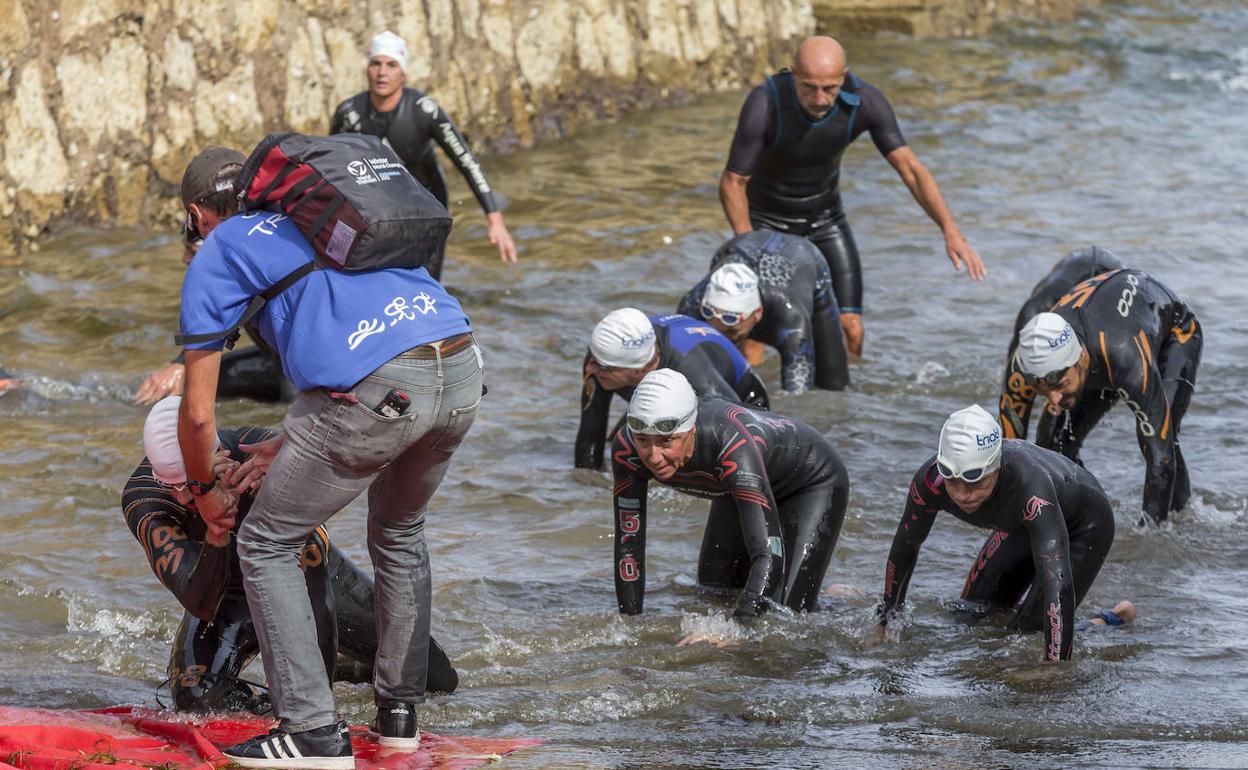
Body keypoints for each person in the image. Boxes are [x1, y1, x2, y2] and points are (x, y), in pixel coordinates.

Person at [173, 147, 483, 766]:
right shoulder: (326, 220)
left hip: (384, 388)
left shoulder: (220, 250)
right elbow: (350, 339)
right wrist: (289, 441)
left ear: (195, 214)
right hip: (462, 365)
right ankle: (399, 716)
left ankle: (312, 730)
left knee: (265, 542)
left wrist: (207, 488)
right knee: (399, 530)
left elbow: (199, 414)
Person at [124, 397, 457, 712]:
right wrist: (216, 532)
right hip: (225, 598)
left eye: (192, 485)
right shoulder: (146, 501)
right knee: (196, 702)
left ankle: (352, 669)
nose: (184, 499)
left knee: (432, 679)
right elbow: (200, 602)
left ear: (220, 455)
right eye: (174, 486)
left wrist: (318, 702)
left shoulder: (259, 459)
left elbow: (315, 585)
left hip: (305, 580)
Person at [719, 35, 986, 357]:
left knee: (851, 326)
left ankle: (853, 403)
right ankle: (756, 404)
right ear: (792, 74)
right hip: (766, 223)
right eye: (808, 87)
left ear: (843, 77)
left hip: (825, 220)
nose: (819, 98)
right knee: (756, 335)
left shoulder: (865, 101)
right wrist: (749, 246)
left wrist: (950, 230)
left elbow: (911, 169)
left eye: (829, 88)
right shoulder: (765, 102)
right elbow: (733, 182)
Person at [612, 369, 849, 631]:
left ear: (690, 429)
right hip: (733, 486)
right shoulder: (626, 449)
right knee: (713, 593)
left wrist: (735, 630)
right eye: (643, 440)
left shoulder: (731, 447)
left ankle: (843, 603)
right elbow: (628, 545)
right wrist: (631, 626)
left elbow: (769, 554)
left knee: (786, 617)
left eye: (666, 441)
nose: (653, 456)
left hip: (810, 481)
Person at [877, 405, 1118, 661]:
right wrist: (886, 622)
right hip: (1020, 522)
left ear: (996, 468)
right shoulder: (929, 482)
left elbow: (1056, 584)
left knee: (1028, 634)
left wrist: (1054, 670)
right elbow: (906, 546)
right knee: (969, 617)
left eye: (974, 481)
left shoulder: (1030, 489)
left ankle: (1108, 620)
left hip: (1084, 525)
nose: (961, 494)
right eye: (952, 481)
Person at [1009, 268, 1201, 525]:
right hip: (1101, 334)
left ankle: (1180, 519)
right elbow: (1009, 445)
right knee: (1053, 441)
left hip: (1175, 333)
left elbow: (1160, 456)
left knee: (1160, 437)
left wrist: (1148, 537)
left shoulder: (1126, 358)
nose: (1053, 400)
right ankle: (1082, 516)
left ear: (1082, 360)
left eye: (1060, 385)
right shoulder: (1026, 364)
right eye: (1043, 389)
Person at [330, 31, 517, 280]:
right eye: (376, 63)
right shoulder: (349, 113)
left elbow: (467, 162)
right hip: (378, 208)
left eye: (391, 65)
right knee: (374, 279)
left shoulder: (424, 111)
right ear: (367, 69)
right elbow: (330, 171)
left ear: (403, 73)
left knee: (423, 280)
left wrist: (495, 219)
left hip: (427, 204)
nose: (382, 72)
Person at [133, 147, 295, 406]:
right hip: (294, 359)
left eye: (191, 250)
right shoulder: (279, 226)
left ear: (200, 217)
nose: (185, 260)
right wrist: (180, 366)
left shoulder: (234, 258)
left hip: (311, 364)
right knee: (190, 383)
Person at [575, 308, 769, 470]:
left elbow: (740, 437)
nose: (590, 369)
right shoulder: (601, 358)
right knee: (623, 446)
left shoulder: (695, 376)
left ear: (639, 371)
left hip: (744, 399)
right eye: (591, 358)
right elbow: (590, 436)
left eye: (603, 367)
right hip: (653, 383)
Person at [677, 231, 849, 393]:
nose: (723, 340)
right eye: (714, 331)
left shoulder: (789, 316)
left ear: (758, 313)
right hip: (737, 247)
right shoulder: (692, 304)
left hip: (805, 257)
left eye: (732, 331)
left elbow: (798, 394)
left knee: (833, 384)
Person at [999, 246, 1126, 440]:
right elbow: (1010, 438)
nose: (1053, 397)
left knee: (1054, 438)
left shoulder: (1104, 343)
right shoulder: (1028, 340)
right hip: (1063, 277)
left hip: (1114, 286)